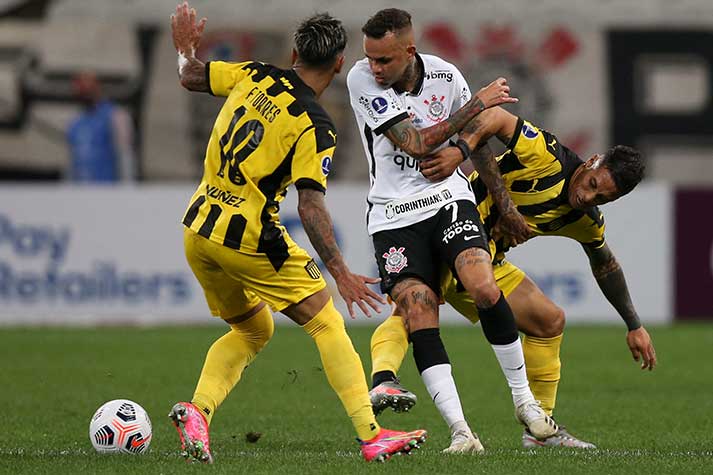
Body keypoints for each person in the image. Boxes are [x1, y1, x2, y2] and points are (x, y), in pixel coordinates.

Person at [168, 2, 427, 464]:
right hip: (249, 238)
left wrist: (185, 46)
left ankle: (197, 412)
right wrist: (341, 271)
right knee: (326, 319)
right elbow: (310, 206)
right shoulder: (315, 124)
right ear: (340, 63)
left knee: (253, 329)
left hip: (198, 228)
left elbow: (190, 76)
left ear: (294, 52)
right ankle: (371, 435)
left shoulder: (254, 73)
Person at [369, 104, 657, 448]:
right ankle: (383, 378)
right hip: (448, 229)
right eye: (593, 184)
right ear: (593, 160)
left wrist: (633, 324)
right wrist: (469, 159)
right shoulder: (546, 156)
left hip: (488, 260)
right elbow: (493, 117)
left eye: (602, 198)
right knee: (415, 308)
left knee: (549, 321)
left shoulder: (584, 219)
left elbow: (605, 264)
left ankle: (539, 430)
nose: (587, 197)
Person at [347, 8, 558, 454]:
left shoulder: (446, 76)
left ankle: (525, 403)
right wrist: (477, 105)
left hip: (447, 199)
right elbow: (416, 143)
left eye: (384, 60)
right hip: (392, 214)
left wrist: (503, 206)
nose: (375, 68)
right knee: (419, 307)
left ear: (409, 50)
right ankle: (462, 432)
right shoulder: (361, 80)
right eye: (370, 58)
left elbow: (477, 145)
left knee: (482, 285)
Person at [66, 71, 136, 182]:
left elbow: (124, 156)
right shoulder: (75, 123)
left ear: (97, 89)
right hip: (81, 191)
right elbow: (72, 161)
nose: (84, 95)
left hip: (106, 190)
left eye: (87, 90)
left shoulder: (115, 116)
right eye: (81, 92)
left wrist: (127, 190)